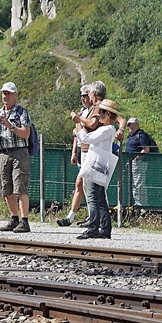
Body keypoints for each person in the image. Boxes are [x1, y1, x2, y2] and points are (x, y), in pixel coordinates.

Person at [58, 81, 125, 226]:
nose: (85, 97)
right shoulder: (92, 110)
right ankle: (94, 220)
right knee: (86, 186)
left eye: (87, 94)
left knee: (95, 189)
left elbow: (91, 128)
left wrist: (78, 124)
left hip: (94, 153)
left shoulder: (101, 111)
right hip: (87, 150)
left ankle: (96, 222)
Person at [0, 82, 32, 233]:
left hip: (19, 152)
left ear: (15, 95)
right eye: (4, 93)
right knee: (6, 187)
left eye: (8, 93)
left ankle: (24, 220)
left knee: (20, 186)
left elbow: (26, 134)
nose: (5, 96)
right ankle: (14, 218)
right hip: (3, 153)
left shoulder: (21, 112)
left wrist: (9, 125)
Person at [73, 99, 119, 240]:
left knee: (93, 198)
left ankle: (93, 227)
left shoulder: (107, 129)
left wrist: (78, 122)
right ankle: (105, 229)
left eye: (101, 113)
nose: (99, 115)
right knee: (100, 200)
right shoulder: (109, 129)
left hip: (95, 167)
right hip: (101, 166)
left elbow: (86, 138)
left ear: (108, 115)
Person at [124, 116, 157, 208]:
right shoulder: (131, 136)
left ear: (136, 125)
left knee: (139, 184)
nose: (129, 126)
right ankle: (137, 204)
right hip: (132, 163)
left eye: (131, 124)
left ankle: (142, 205)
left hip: (139, 163)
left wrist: (136, 159)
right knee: (134, 185)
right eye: (128, 125)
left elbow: (146, 149)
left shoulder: (141, 135)